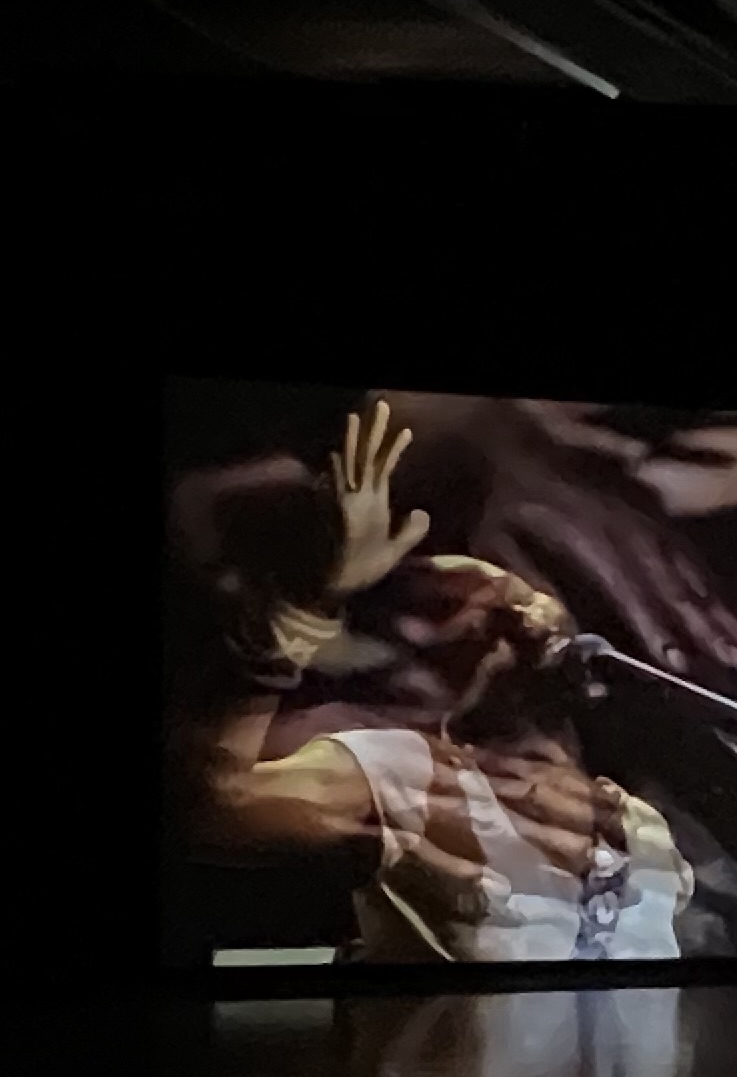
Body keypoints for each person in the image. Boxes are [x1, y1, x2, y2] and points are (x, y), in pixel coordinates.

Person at [178, 401, 693, 961]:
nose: (503, 603)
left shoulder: (638, 827)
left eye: (515, 600)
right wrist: (306, 610)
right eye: (453, 605)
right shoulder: (398, 778)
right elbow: (212, 806)